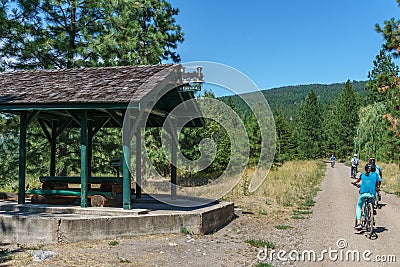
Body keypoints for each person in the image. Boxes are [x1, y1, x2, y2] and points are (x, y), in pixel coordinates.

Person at [351, 163, 380, 230]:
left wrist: (354, 183)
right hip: (372, 195)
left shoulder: (363, 175)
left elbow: (357, 181)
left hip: (363, 194)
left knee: (359, 206)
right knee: (372, 201)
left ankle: (358, 223)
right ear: (374, 169)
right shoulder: (375, 175)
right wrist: (377, 188)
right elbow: (377, 185)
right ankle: (372, 210)